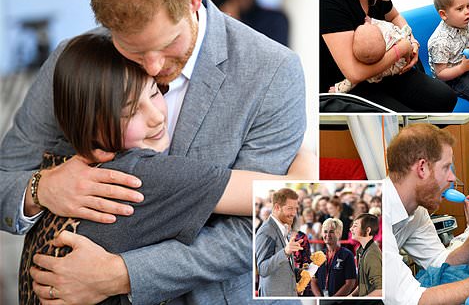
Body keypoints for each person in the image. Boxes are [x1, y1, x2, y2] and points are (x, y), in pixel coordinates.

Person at [0, 0, 305, 305]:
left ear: (194, 0)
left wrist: (122, 274)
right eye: (132, 49)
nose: (154, 66)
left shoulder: (274, 71)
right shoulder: (75, 63)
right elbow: (4, 176)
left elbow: (259, 227)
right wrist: (41, 188)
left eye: (167, 44)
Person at [20, 33, 308, 303]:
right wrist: (307, 153)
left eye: (155, 92)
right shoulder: (145, 175)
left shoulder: (57, 165)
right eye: (131, 111)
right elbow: (277, 194)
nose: (156, 116)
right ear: (92, 125)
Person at [384, 123, 469, 305]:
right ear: (422, 168)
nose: (452, 178)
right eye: (446, 167)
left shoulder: (416, 212)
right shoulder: (369, 212)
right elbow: (413, 300)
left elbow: (440, 263)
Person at [320, 0, 457, 112]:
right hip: (346, 84)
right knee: (401, 118)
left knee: (445, 98)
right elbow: (354, 73)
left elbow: (395, 17)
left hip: (383, 70)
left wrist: (412, 40)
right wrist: (401, 49)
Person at [330, 18, 414, 93]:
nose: (365, 24)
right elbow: (387, 27)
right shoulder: (389, 39)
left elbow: (349, 83)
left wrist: (338, 89)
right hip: (401, 67)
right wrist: (406, 45)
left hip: (389, 73)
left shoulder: (366, 72)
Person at [255, 188, 303, 297]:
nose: (294, 213)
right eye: (290, 208)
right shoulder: (266, 231)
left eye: (296, 208)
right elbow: (263, 269)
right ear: (277, 207)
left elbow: (281, 267)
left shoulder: (282, 228)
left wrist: (299, 272)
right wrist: (285, 252)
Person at [311, 218, 356, 297]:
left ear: (339, 234)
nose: (328, 235)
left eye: (331, 232)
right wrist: (320, 298)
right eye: (325, 232)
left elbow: (350, 283)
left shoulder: (347, 255)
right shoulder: (318, 255)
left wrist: (333, 300)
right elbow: (314, 280)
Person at [349, 213, 382, 298]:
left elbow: (380, 290)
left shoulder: (372, 254)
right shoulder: (360, 250)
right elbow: (362, 285)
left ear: (367, 230)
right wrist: (350, 297)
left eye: (355, 226)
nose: (350, 229)